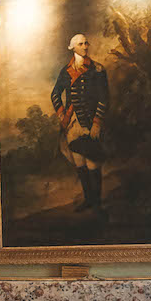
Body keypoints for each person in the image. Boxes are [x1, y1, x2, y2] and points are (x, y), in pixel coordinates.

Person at [50, 33, 110, 212]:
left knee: (93, 161)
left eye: (86, 43)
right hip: (73, 123)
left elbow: (104, 98)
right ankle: (88, 200)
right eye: (81, 44)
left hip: (90, 122)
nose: (85, 46)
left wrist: (97, 123)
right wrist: (61, 115)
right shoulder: (65, 71)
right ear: (73, 47)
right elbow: (55, 94)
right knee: (79, 161)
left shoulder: (97, 70)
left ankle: (97, 203)